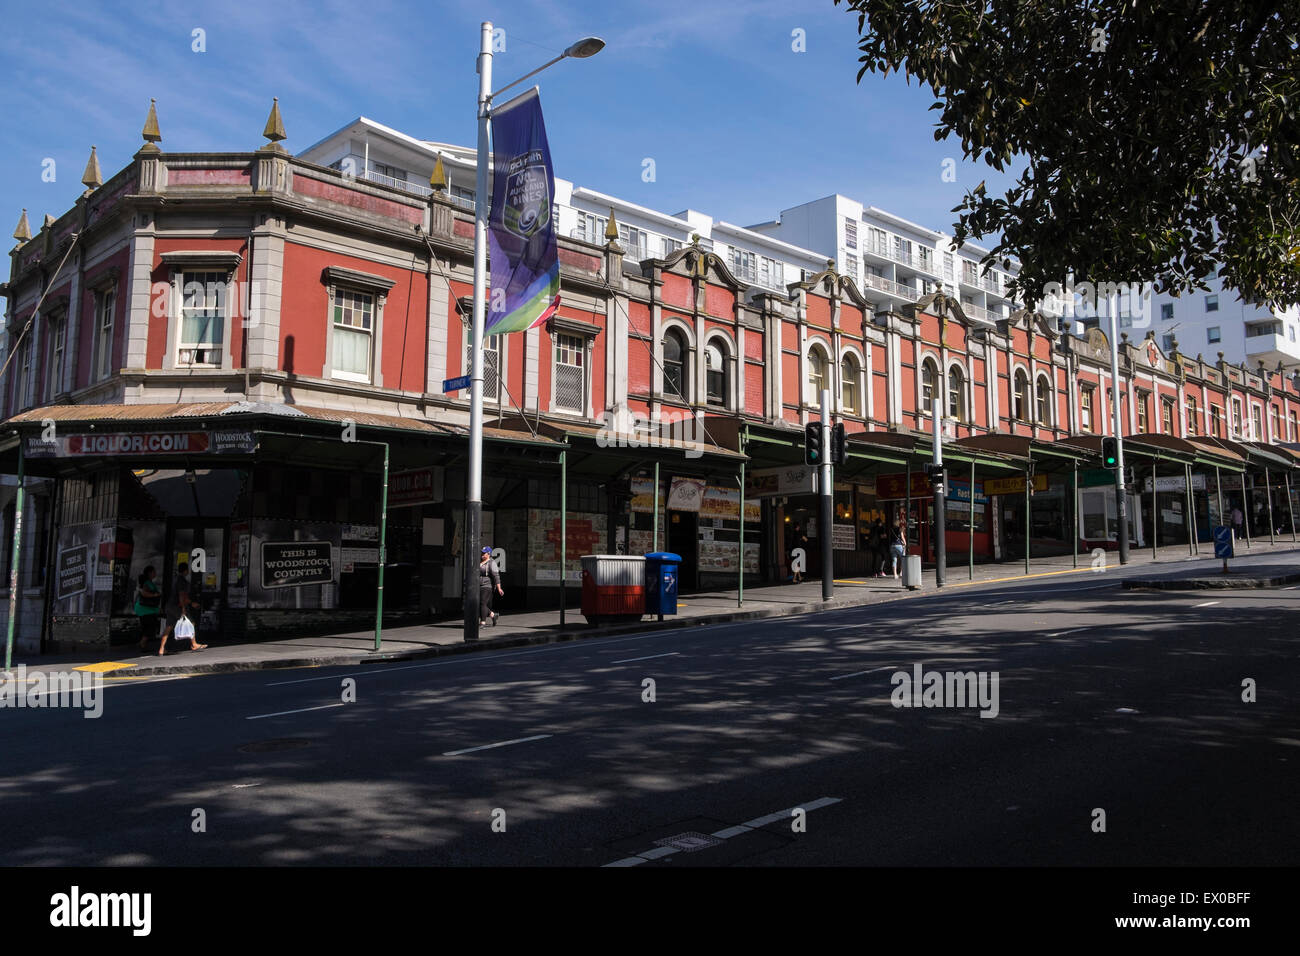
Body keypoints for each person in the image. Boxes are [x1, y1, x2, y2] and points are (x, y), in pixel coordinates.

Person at [158, 562, 207, 654]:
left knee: (169, 627)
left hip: (169, 606)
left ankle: (161, 649)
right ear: (186, 571)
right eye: (187, 569)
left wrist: (191, 603)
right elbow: (181, 595)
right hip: (177, 606)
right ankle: (194, 644)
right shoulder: (182, 581)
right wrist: (184, 608)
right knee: (191, 622)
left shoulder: (175, 579)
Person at [135, 566, 162, 651]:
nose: (155, 573)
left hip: (147, 608)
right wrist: (155, 595)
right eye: (154, 572)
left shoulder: (149, 582)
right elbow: (144, 593)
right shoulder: (147, 583)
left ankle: (143, 644)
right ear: (149, 573)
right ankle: (142, 643)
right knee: (150, 626)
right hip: (145, 609)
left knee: (148, 626)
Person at [479, 547, 503, 626]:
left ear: (488, 554)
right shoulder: (479, 562)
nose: (482, 554)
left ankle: (483, 622)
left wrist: (499, 588)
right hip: (478, 585)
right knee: (479, 604)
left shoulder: (492, 563)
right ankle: (493, 615)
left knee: (483, 603)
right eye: (482, 553)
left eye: (484, 553)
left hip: (487, 586)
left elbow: (496, 576)